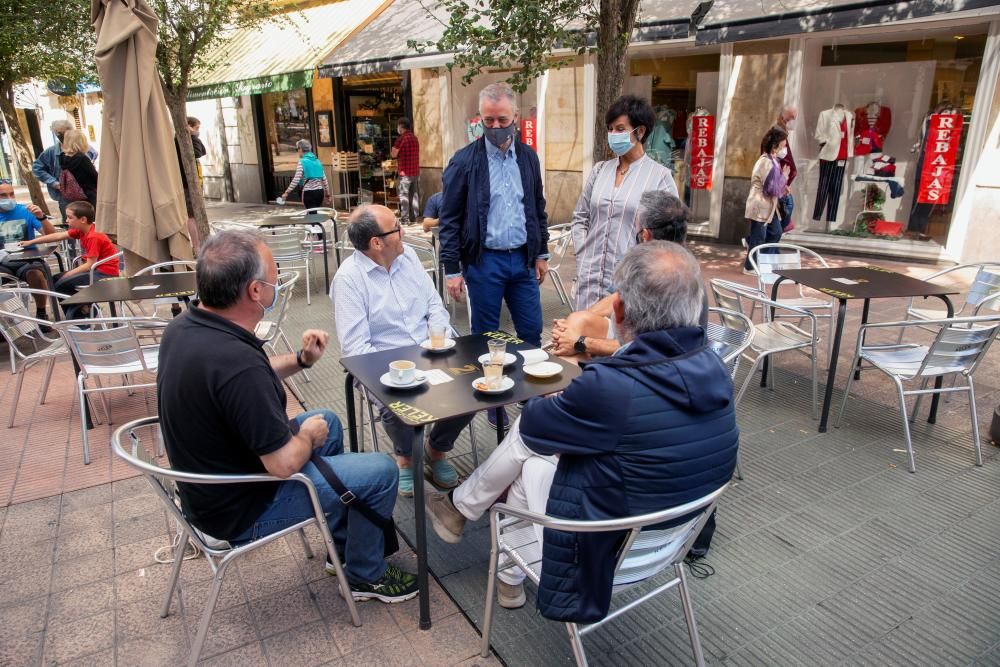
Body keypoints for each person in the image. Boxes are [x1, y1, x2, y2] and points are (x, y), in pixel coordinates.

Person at [425, 242, 738, 618]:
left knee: (530, 452)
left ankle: (466, 513)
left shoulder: (613, 387)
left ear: (618, 310)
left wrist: (569, 390)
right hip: (670, 546)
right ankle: (498, 563)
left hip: (601, 561)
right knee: (536, 464)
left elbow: (536, 423)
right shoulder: (716, 370)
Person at [157, 230, 418, 603]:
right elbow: (281, 463)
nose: (278, 281)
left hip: (212, 481)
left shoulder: (187, 327)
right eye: (274, 275)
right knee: (381, 471)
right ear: (254, 292)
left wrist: (301, 360)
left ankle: (342, 550)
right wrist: (306, 437)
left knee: (327, 419)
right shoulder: (235, 363)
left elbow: (252, 373)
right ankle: (366, 575)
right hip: (241, 507)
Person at [332, 205, 474, 496]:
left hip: (431, 350)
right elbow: (357, 348)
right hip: (386, 363)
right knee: (396, 404)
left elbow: (435, 305)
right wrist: (399, 372)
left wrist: (440, 338)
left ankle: (437, 449)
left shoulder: (407, 257)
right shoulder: (349, 279)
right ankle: (406, 457)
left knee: (473, 385)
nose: (403, 232)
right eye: (396, 227)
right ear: (376, 243)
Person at [439, 82, 550, 427]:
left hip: (521, 259)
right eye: (489, 121)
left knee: (531, 331)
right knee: (486, 337)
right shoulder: (464, 161)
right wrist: (452, 270)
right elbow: (450, 220)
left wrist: (541, 252)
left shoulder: (529, 157)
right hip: (483, 262)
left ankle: (528, 398)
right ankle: (493, 401)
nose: (496, 127)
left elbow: (537, 208)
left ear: (515, 116)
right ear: (480, 119)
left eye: (503, 120)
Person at [551, 191, 706, 360]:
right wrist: (569, 327)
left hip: (657, 354)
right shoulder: (647, 260)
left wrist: (580, 342)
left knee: (572, 350)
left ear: (646, 235)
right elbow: (617, 297)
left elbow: (648, 345)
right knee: (577, 322)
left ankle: (579, 382)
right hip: (632, 336)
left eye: (637, 230)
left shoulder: (674, 278)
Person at [571, 95, 677, 310]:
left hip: (628, 285)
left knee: (619, 341)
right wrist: (583, 254)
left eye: (620, 129)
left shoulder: (659, 177)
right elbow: (580, 217)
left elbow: (669, 238)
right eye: (610, 129)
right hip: (589, 279)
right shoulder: (600, 170)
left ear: (640, 131)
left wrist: (644, 272)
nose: (613, 135)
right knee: (581, 339)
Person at [19, 201, 119, 319]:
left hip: (104, 274)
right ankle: (83, 309)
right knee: (54, 280)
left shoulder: (93, 236)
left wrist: (67, 274)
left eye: (70, 217)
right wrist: (31, 242)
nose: (66, 221)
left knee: (61, 283)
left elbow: (89, 265)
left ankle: (81, 317)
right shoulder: (83, 230)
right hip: (95, 270)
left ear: (82, 219)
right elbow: (58, 236)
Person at [0, 179, 58, 323]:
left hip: (28, 259)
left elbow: (50, 237)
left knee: (36, 274)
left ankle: (41, 312)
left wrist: (42, 217)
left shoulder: (25, 211)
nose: (9, 198)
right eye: (3, 195)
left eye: (12, 194)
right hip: (3, 262)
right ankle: (5, 322)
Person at [31, 119, 99, 220]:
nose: (62, 136)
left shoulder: (72, 153)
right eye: (59, 133)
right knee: (77, 224)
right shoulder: (52, 152)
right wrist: (54, 182)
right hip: (70, 196)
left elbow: (94, 154)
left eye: (65, 132)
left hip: (80, 195)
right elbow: (37, 168)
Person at [743, 126, 789, 272]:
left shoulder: (773, 161)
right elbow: (771, 188)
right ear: (775, 146)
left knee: (775, 231)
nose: (785, 148)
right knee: (759, 237)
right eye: (783, 145)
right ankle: (750, 267)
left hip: (769, 206)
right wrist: (784, 178)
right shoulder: (766, 161)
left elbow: (774, 185)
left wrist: (783, 184)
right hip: (760, 204)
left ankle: (764, 262)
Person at [176, 116, 207, 254]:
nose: (198, 131)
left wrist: (194, 136)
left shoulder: (189, 138)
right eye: (196, 128)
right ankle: (196, 246)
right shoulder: (180, 139)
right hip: (187, 183)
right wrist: (193, 136)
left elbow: (203, 150)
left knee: (195, 214)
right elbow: (198, 152)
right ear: (188, 126)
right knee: (191, 215)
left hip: (195, 182)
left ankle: (199, 244)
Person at [278, 140, 330, 210]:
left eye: (297, 149)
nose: (298, 152)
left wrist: (287, 192)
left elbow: (296, 179)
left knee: (312, 215)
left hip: (309, 193)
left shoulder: (302, 162)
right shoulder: (317, 161)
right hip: (320, 192)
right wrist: (327, 193)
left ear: (300, 149)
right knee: (316, 214)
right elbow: (324, 179)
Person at [772, 105, 798, 233]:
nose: (793, 120)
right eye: (792, 118)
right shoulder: (777, 132)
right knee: (787, 205)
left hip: (781, 178)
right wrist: (783, 181)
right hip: (777, 178)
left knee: (786, 206)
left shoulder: (782, 131)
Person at [58, 130, 99, 208]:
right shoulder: (82, 158)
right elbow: (95, 176)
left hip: (73, 196)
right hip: (88, 195)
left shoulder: (62, 157)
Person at [391, 117, 420, 225]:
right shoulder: (414, 138)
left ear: (401, 126)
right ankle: (414, 218)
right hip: (415, 172)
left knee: (404, 196)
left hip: (405, 173)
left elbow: (393, 154)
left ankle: (405, 219)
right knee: (413, 195)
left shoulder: (401, 139)